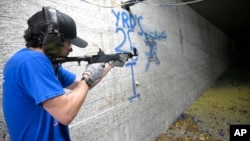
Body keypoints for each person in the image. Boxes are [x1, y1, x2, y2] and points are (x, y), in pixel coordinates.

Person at [2, 7, 128, 141]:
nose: (71, 48)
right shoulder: (32, 62)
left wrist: (109, 64)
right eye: (68, 43)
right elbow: (65, 113)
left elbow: (80, 85)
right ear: (53, 40)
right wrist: (88, 77)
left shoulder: (42, 62)